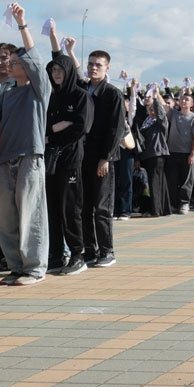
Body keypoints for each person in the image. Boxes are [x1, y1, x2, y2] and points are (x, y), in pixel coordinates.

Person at [0, 4, 53, 286]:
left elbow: (36, 60)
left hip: (30, 158)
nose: (11, 65)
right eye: (12, 61)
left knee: (31, 215)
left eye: (16, 61)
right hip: (4, 159)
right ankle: (16, 266)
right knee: (4, 219)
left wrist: (22, 23)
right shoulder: (6, 91)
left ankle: (35, 268)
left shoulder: (39, 90)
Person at [81, 49, 124, 268]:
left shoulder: (113, 94)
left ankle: (107, 251)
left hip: (102, 158)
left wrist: (105, 157)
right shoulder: (83, 90)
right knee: (84, 206)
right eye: (90, 64)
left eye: (98, 64)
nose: (93, 68)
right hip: (82, 156)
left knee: (101, 207)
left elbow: (116, 129)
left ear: (107, 68)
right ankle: (90, 250)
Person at [136, 88, 171, 217]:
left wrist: (156, 98)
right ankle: (162, 209)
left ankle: (156, 210)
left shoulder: (161, 122)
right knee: (154, 182)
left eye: (153, 109)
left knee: (154, 182)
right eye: (149, 109)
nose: (152, 111)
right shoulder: (146, 122)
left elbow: (161, 113)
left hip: (157, 154)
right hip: (147, 155)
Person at [166, 90, 194, 215]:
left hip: (187, 153)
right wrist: (156, 93)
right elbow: (164, 105)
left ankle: (184, 203)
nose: (184, 101)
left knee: (187, 180)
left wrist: (193, 153)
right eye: (182, 99)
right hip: (172, 152)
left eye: (187, 100)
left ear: (192, 104)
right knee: (172, 180)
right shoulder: (174, 114)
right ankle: (173, 204)